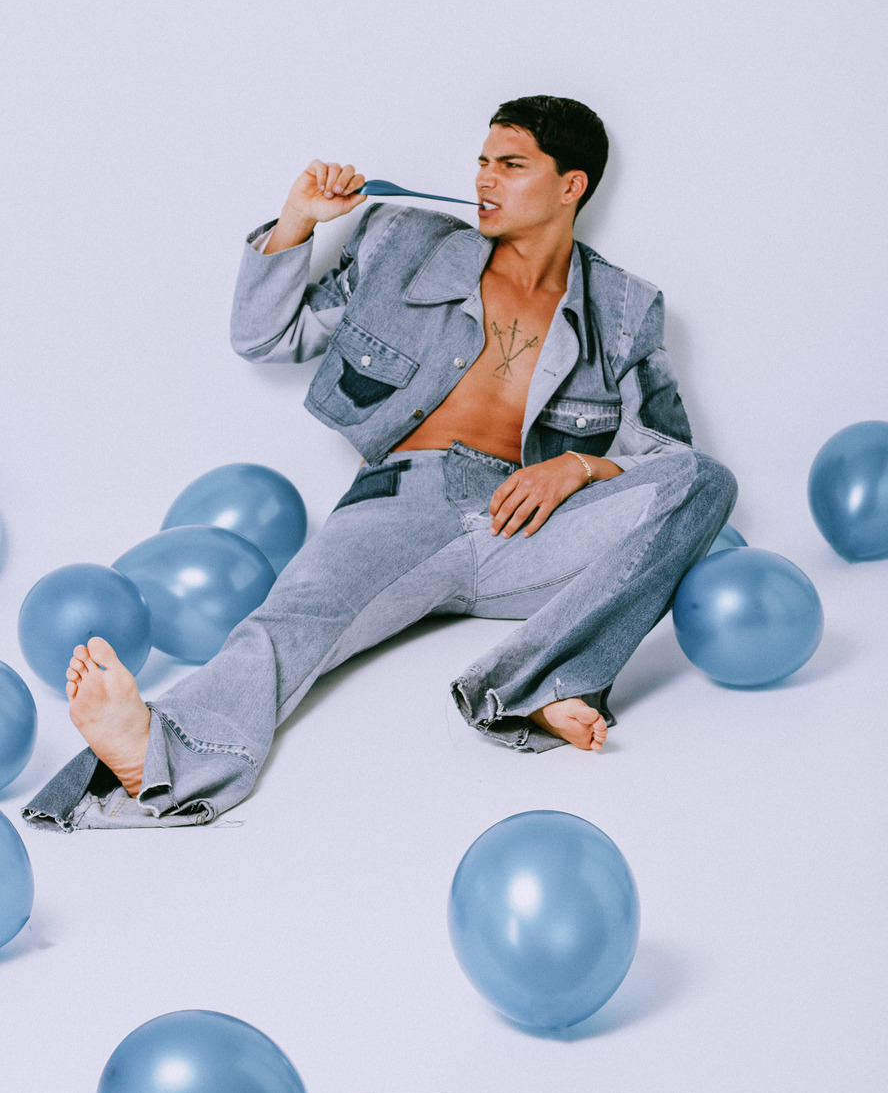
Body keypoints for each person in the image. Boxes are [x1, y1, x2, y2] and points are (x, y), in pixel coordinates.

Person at [24, 95, 736, 831]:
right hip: (406, 502)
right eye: (483, 162)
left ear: (571, 185)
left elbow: (669, 457)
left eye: (512, 165)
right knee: (291, 621)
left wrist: (579, 469)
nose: (485, 179)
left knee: (709, 483)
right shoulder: (405, 244)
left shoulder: (624, 308)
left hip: (526, 525)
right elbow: (266, 338)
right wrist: (297, 220)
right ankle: (160, 754)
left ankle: (540, 684)